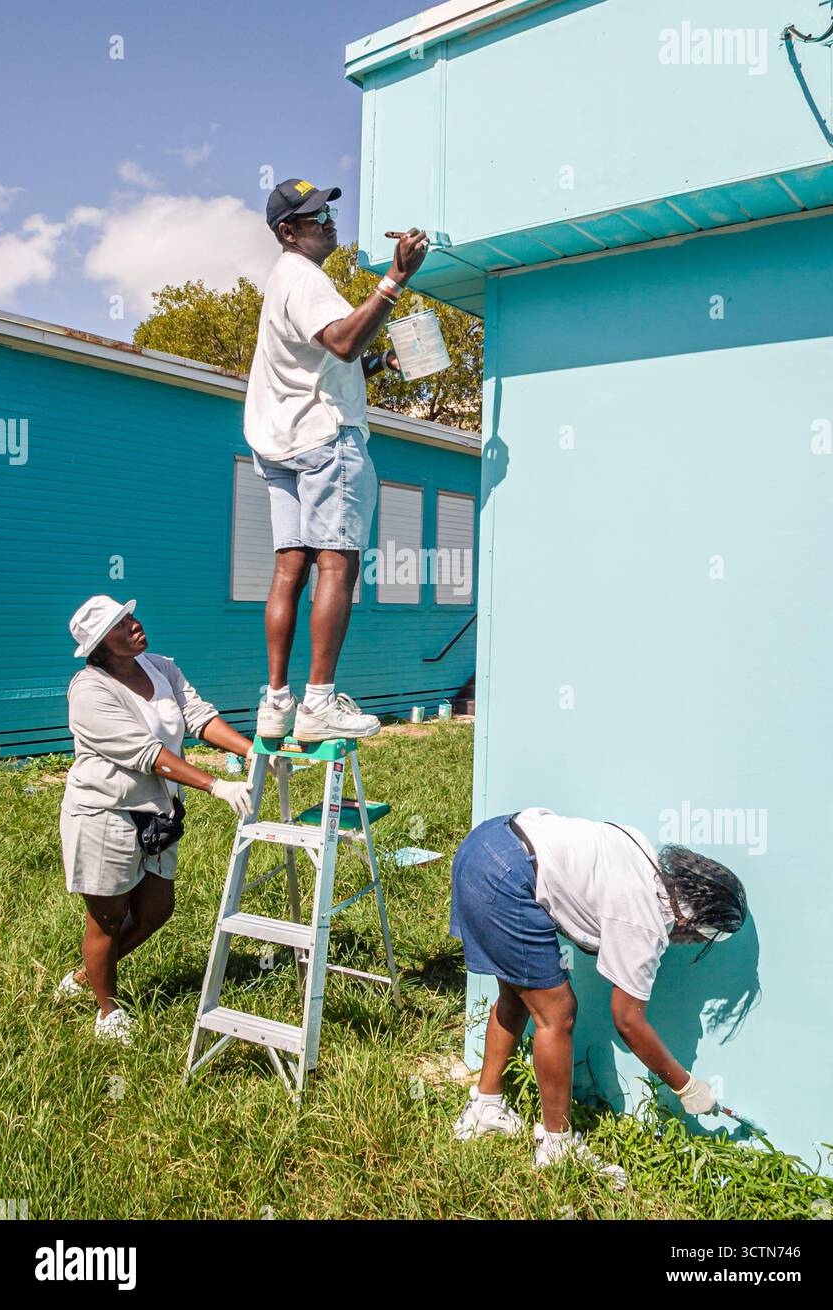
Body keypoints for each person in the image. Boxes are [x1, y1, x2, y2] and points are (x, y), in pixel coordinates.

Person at [449, 809, 748, 1184]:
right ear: (689, 924)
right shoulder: (646, 922)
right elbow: (628, 1021)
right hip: (507, 877)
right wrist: (684, 1085)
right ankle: (557, 1147)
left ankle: (485, 1109)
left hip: (486, 844)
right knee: (558, 1014)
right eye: (699, 940)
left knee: (518, 996)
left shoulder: (643, 851)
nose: (688, 945)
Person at [244, 176, 429, 742]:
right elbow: (345, 341)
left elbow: (325, 362)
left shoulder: (283, 282)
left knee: (289, 567)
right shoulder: (305, 277)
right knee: (338, 562)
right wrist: (395, 277)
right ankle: (320, 702)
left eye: (327, 212)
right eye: (315, 217)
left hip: (280, 440)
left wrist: (378, 368)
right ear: (288, 232)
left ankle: (277, 701)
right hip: (326, 439)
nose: (328, 223)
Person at [56, 595, 257, 1044]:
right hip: (104, 812)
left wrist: (251, 751)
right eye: (120, 625)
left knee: (156, 910)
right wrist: (215, 785)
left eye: (131, 617)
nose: (134, 625)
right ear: (101, 645)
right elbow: (145, 754)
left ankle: (87, 975)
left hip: (158, 812)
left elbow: (198, 717)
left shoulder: (160, 666)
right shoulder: (90, 690)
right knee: (108, 918)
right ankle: (107, 1011)